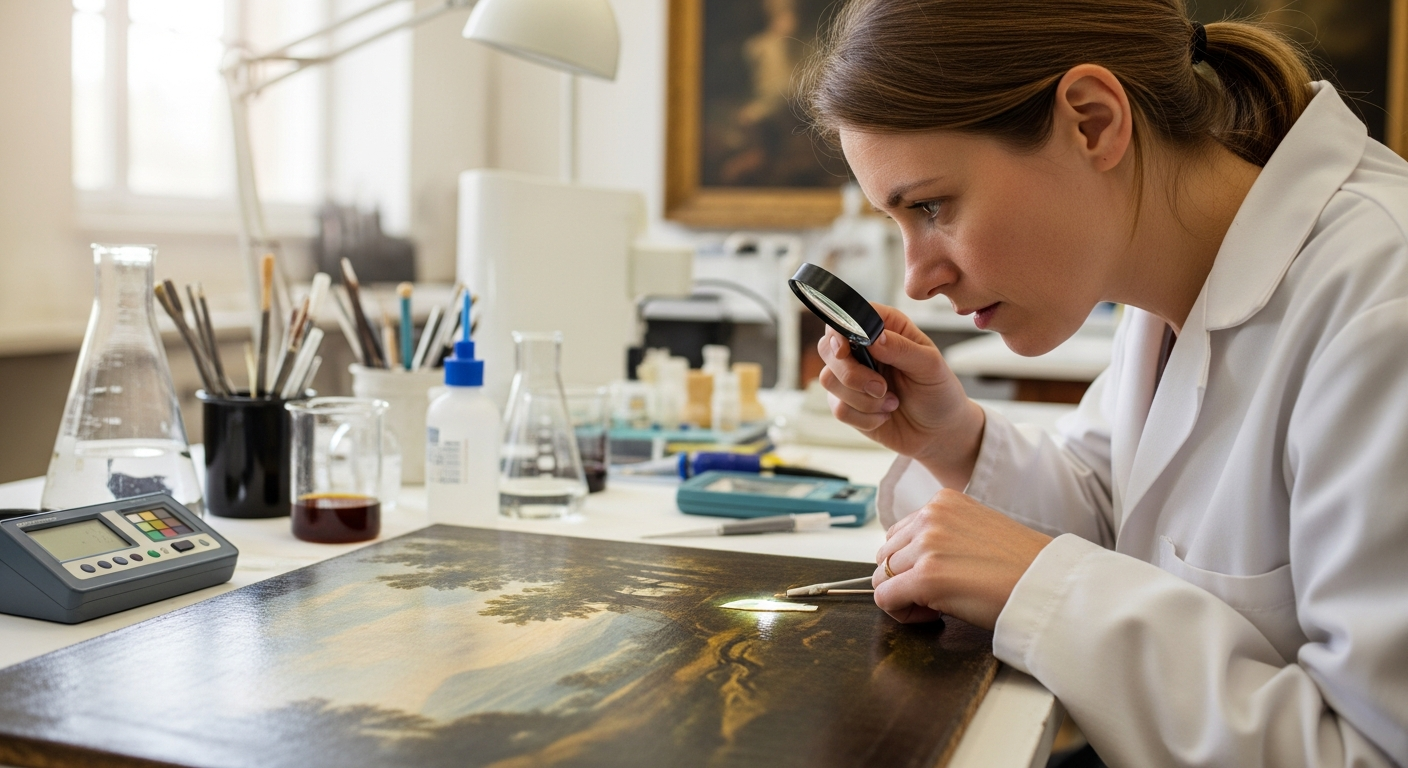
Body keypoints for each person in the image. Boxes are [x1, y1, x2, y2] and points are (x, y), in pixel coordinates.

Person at [800, 1, 1408, 766]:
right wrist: (952, 439)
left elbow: (1372, 750)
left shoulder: (1384, 303)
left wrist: (1044, 588)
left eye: (930, 206)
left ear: (1092, 121)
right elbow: (1118, 511)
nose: (918, 279)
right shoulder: (1165, 276)